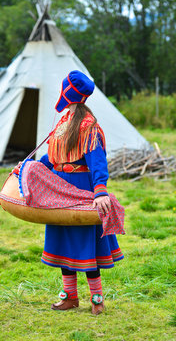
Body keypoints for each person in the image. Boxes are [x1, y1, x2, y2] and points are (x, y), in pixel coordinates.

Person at [39, 70, 124, 315]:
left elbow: (98, 161)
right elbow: (53, 157)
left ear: (68, 92)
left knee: (86, 244)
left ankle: (96, 299)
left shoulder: (89, 126)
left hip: (81, 188)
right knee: (64, 243)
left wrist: (100, 190)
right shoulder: (64, 122)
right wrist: (31, 167)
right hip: (58, 189)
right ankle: (70, 298)